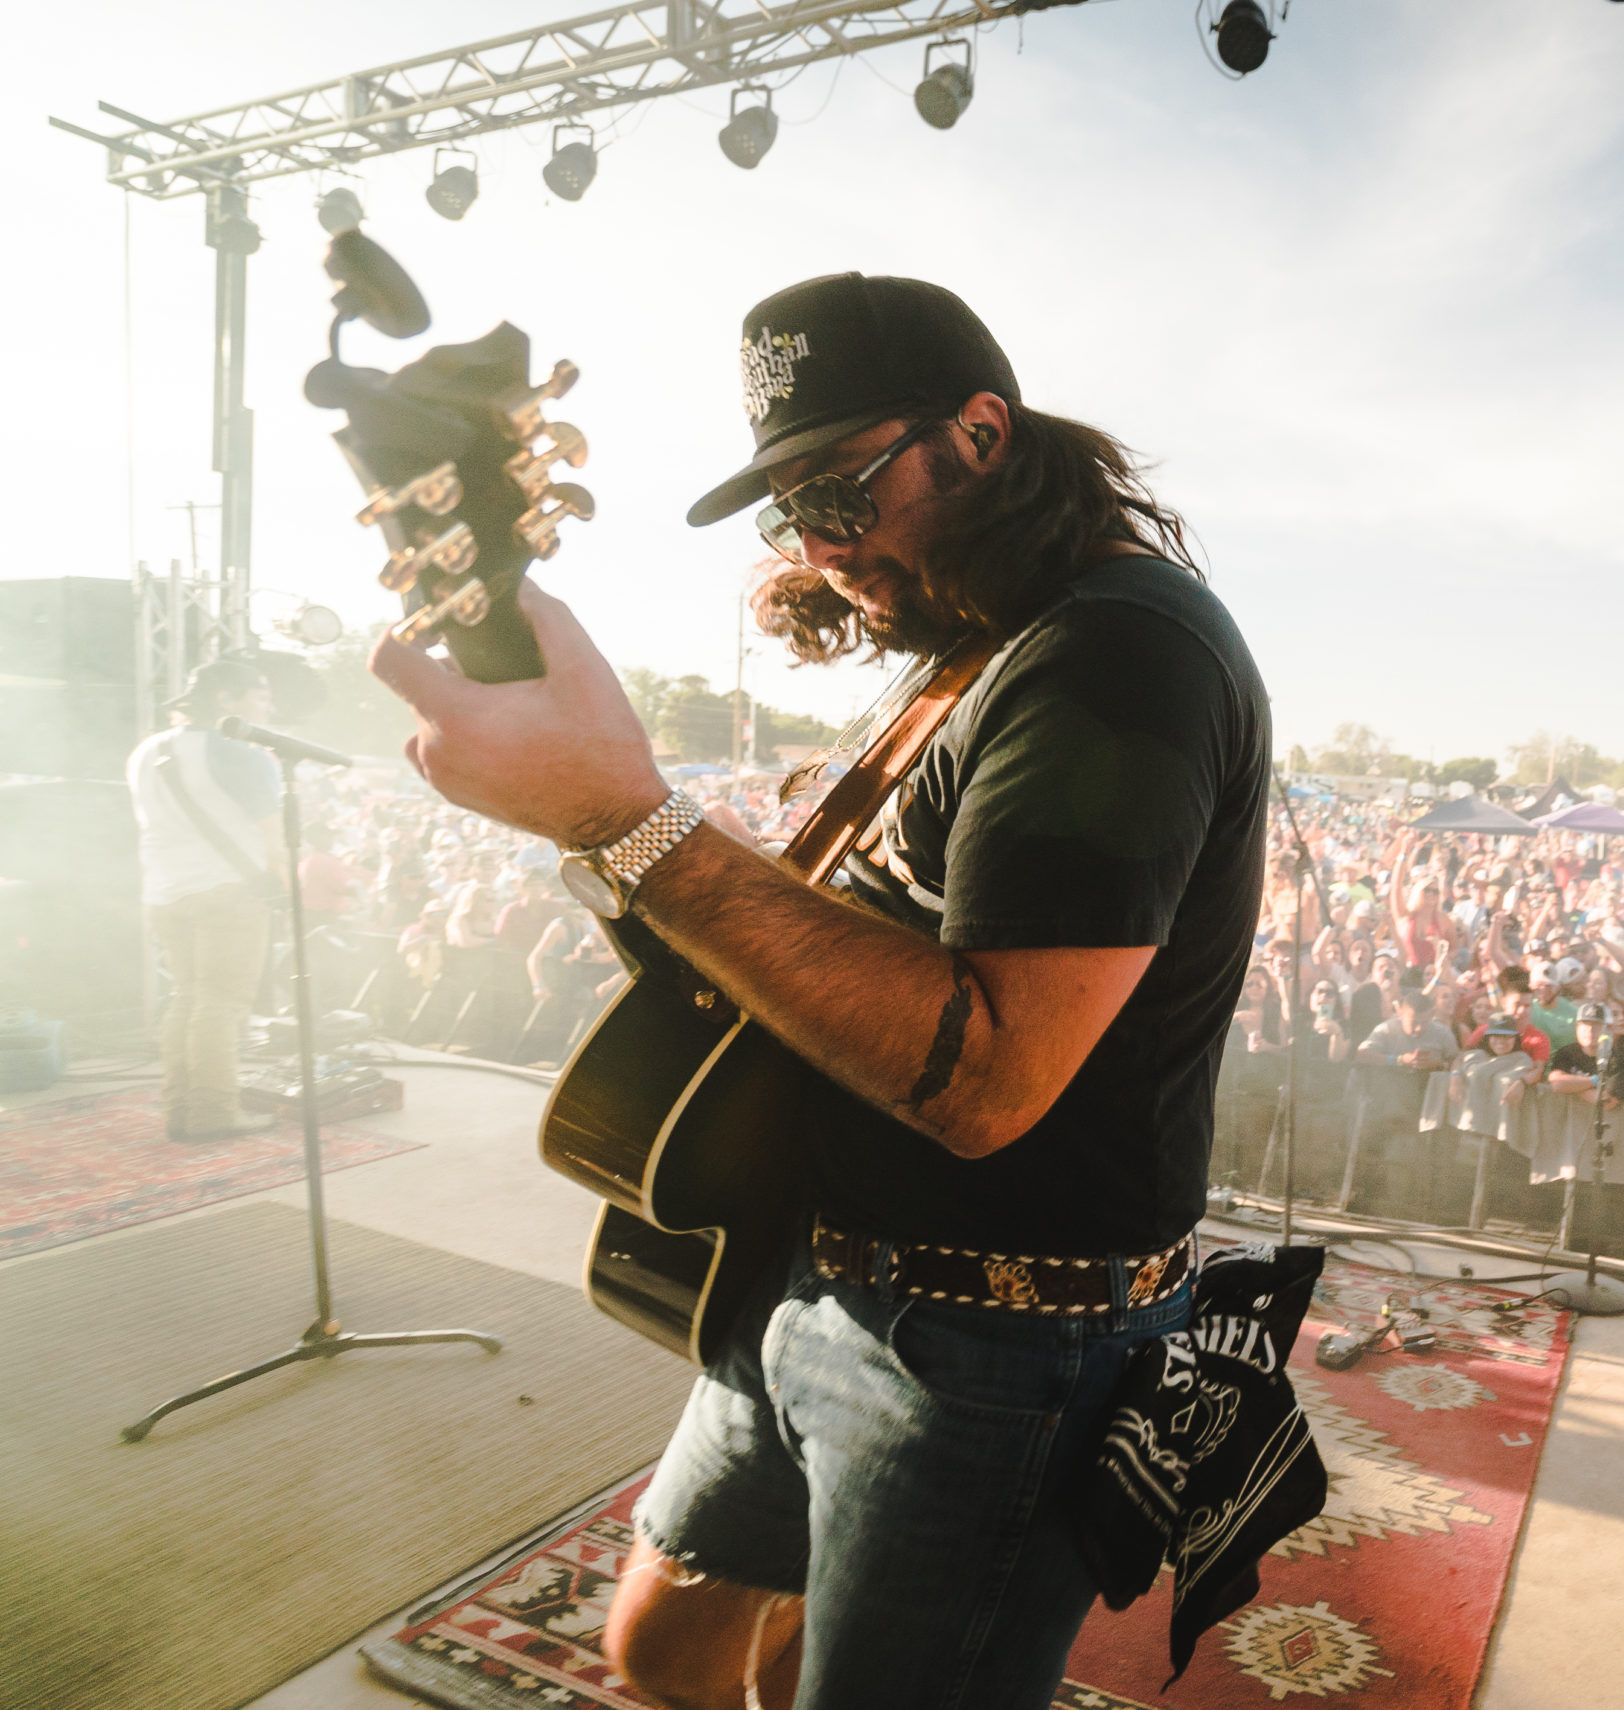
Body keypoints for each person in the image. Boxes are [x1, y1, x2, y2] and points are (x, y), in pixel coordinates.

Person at [373, 271, 1268, 1710]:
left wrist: (632, 820)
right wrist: (614, 825)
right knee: (661, 1650)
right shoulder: (981, 642)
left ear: (980, 435)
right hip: (825, 1275)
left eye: (842, 495)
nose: (823, 547)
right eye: (792, 511)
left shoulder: (1122, 653)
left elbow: (990, 1079)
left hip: (995, 1344)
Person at [127, 658, 283, 1141]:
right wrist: (283, 885)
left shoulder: (144, 751)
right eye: (259, 695)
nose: (269, 706)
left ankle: (180, 1109)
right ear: (225, 700)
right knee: (220, 1004)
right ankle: (214, 1113)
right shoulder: (244, 753)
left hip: (164, 893)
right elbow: (274, 838)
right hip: (228, 893)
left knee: (187, 999)